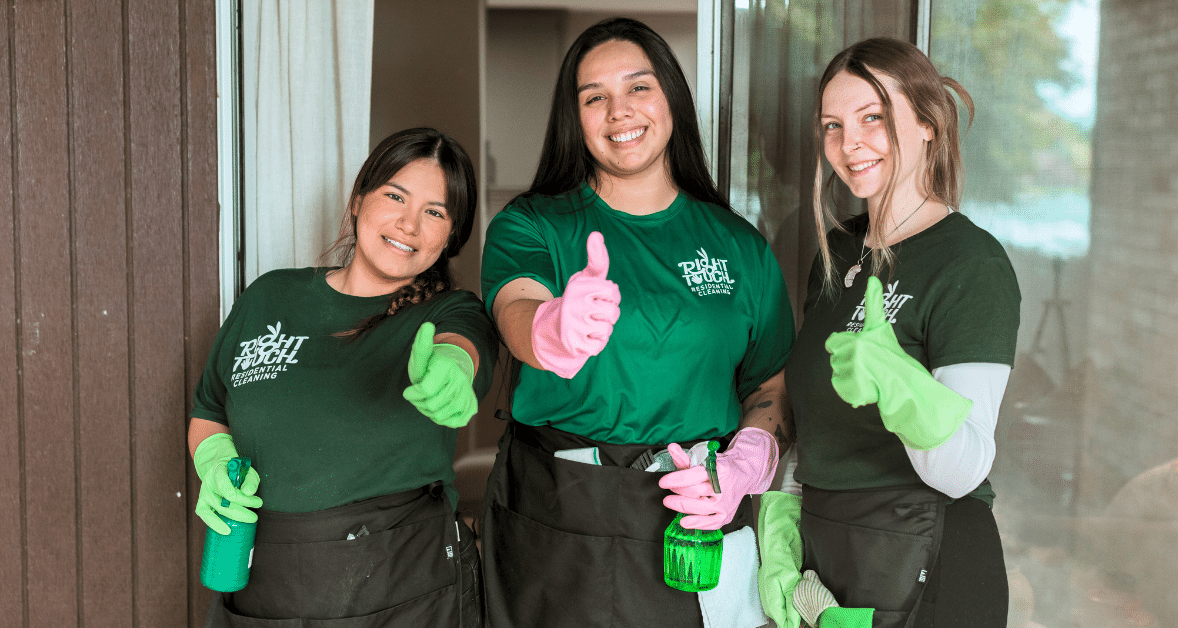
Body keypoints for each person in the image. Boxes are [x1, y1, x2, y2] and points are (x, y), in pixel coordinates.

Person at [479, 16, 795, 628]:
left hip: (696, 519)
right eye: (594, 97)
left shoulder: (739, 247)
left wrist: (744, 464)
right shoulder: (534, 224)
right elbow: (515, 308)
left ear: (672, 97)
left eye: (638, 87)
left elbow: (770, 386)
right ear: (575, 119)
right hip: (558, 519)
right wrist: (552, 328)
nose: (618, 111)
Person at [188, 127, 498, 627]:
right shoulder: (270, 297)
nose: (409, 223)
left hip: (404, 588)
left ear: (451, 236)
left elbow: (463, 348)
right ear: (358, 201)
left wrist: (452, 370)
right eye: (394, 196)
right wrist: (214, 462)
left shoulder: (453, 311)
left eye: (435, 212)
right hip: (264, 579)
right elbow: (210, 408)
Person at [760, 38, 1021, 628]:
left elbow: (965, 467)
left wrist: (903, 388)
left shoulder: (970, 263)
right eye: (833, 125)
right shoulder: (838, 253)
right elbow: (817, 421)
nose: (849, 143)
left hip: (934, 559)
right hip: (837, 554)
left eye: (873, 117)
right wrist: (782, 526)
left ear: (928, 124)